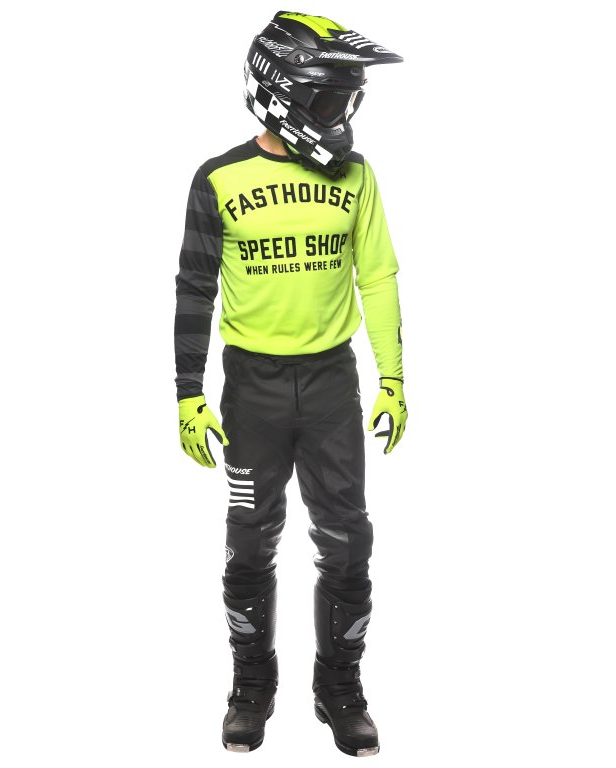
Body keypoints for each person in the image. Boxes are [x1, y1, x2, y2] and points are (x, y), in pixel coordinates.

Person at [173, 11, 407, 757]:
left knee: (348, 541)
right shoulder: (219, 179)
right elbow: (194, 288)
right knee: (250, 541)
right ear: (284, 96)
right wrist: (187, 392)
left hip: (332, 382)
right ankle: (252, 686)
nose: (342, 115)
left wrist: (393, 377)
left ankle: (339, 688)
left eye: (348, 100)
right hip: (253, 388)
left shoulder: (357, 177)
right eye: (330, 99)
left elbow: (377, 275)